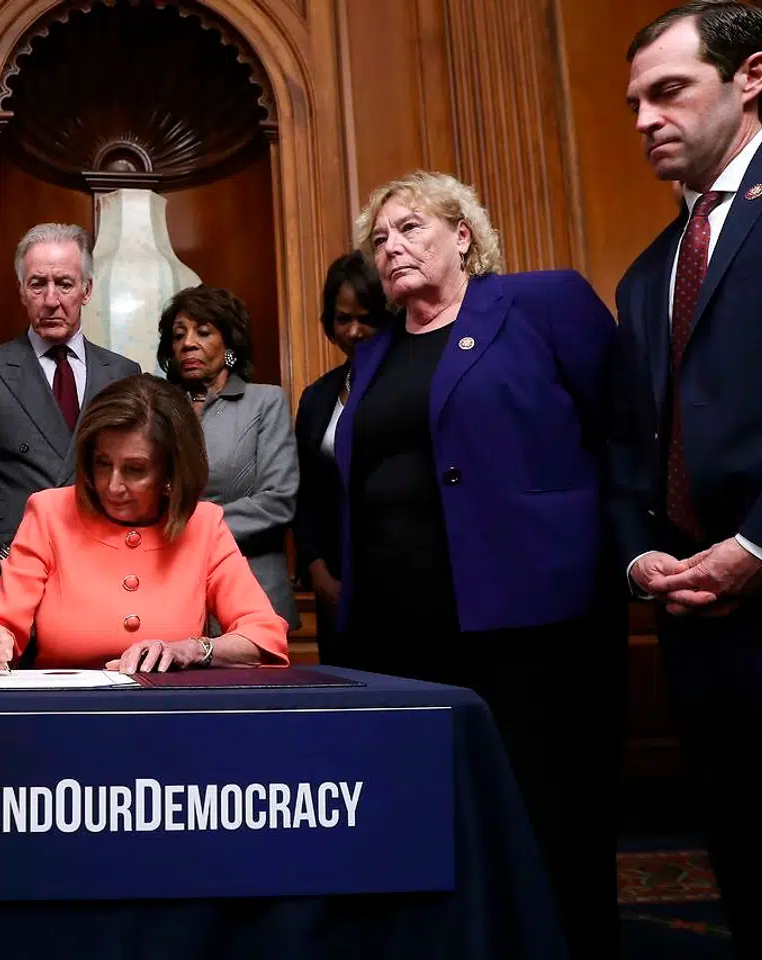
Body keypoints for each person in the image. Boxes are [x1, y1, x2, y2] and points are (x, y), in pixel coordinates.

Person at [337, 172, 622, 955]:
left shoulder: (541, 303)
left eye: (411, 227)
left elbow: (621, 426)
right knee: (431, 822)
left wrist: (630, 551)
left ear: (463, 234)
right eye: (379, 239)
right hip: (400, 630)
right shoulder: (374, 353)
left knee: (548, 816)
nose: (391, 247)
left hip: (530, 620)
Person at [616, 5, 762, 955]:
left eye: (669, 91)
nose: (645, 119)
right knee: (749, 868)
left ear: (751, 75)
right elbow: (632, 445)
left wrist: (761, 544)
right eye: (635, 102)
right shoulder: (648, 274)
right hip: (695, 618)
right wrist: (642, 556)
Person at [0, 374, 290, 675]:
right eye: (102, 463)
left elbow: (263, 636)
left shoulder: (203, 524)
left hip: (169, 713)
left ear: (171, 472)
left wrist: (193, 650)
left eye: (135, 469)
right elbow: (1, 621)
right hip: (66, 712)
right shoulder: (49, 512)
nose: (112, 486)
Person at [0, 222, 139, 597]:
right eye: (37, 284)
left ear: (86, 290)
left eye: (64, 283)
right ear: (21, 290)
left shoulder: (123, 373)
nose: (51, 299)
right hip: (7, 568)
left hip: (100, 563)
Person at [157, 284, 300, 630]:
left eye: (203, 332)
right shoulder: (159, 408)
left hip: (250, 587)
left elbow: (278, 501)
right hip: (171, 589)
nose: (188, 343)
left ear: (230, 343)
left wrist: (189, 527)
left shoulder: (265, 402)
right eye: (179, 335)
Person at [292, 252, 386, 661]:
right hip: (335, 582)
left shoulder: (415, 381)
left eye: (366, 318)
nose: (354, 331)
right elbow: (305, 493)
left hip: (404, 577)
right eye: (342, 319)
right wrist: (317, 570)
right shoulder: (317, 396)